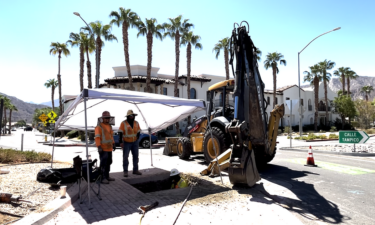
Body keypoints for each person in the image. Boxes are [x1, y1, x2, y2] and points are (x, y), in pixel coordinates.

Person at [119, 109, 142, 177]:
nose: (132, 117)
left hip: (135, 142)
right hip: (126, 142)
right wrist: (120, 142)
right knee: (125, 157)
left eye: (133, 115)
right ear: (128, 116)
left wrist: (138, 136)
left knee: (135, 156)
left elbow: (138, 130)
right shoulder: (123, 123)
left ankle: (135, 170)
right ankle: (125, 171)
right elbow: (120, 132)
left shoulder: (136, 123)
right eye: (130, 115)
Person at [95, 111, 116, 184]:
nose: (107, 119)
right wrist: (99, 147)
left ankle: (107, 176)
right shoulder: (99, 127)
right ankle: (102, 178)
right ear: (103, 118)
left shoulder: (110, 126)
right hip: (103, 149)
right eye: (106, 118)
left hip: (109, 148)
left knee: (109, 162)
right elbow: (97, 137)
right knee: (103, 163)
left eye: (108, 118)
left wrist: (113, 143)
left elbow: (111, 136)